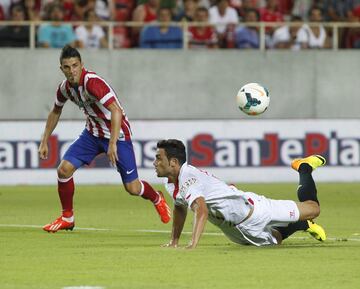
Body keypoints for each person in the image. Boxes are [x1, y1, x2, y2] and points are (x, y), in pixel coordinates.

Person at [39, 45, 171, 233]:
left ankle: (157, 198)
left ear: (81, 65)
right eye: (67, 67)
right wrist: (44, 140)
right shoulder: (64, 89)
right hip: (92, 134)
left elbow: (116, 110)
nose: (72, 71)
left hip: (118, 135)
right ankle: (67, 217)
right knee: (63, 170)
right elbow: (55, 111)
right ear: (62, 69)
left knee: (132, 188)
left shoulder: (93, 83)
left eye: (75, 65)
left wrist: (112, 144)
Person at [153, 139, 327, 249]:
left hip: (256, 211)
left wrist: (193, 243)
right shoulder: (171, 182)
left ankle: (304, 167)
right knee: (276, 239)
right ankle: (302, 225)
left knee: (313, 209)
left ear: (174, 162)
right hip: (233, 229)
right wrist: (174, 241)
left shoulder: (188, 178)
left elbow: (202, 210)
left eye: (159, 158)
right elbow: (180, 207)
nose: (155, 163)